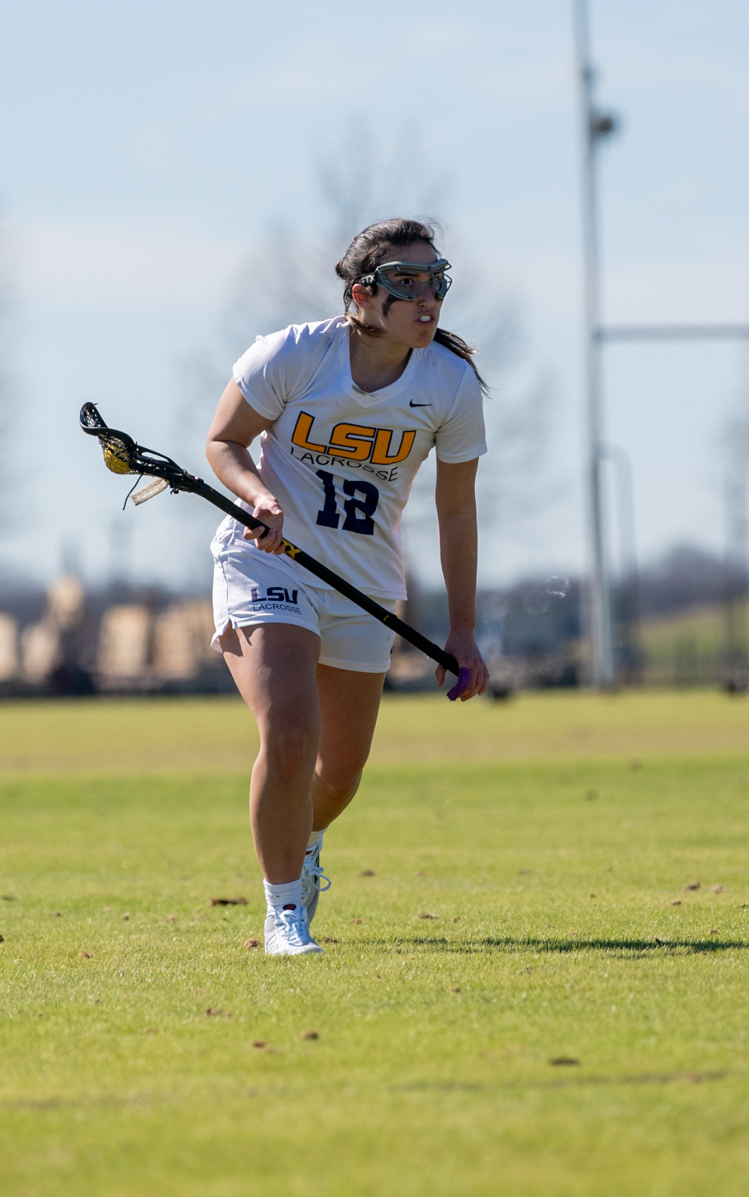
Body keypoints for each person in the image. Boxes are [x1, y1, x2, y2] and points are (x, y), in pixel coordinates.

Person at [204, 218, 490, 957]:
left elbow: (456, 510)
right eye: (407, 282)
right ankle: (282, 914)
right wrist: (255, 498)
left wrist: (462, 628)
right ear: (361, 295)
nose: (428, 298)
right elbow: (223, 441)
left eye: (436, 282)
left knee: (339, 775)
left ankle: (305, 849)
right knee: (292, 732)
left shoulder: (450, 385)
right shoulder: (296, 354)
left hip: (363, 583)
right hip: (268, 562)